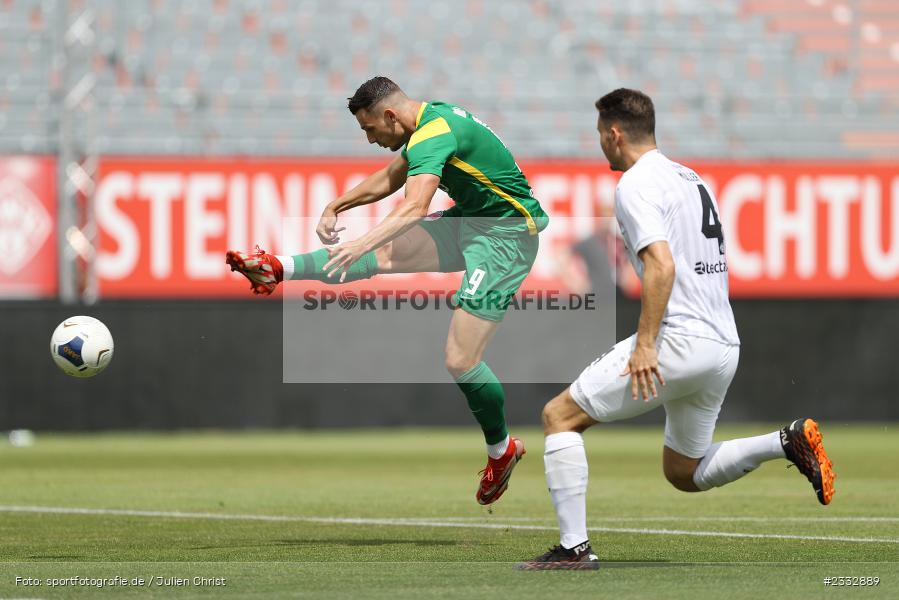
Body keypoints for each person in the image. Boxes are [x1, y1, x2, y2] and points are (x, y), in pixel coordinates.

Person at [518, 89, 835, 570]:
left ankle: (573, 549)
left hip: (680, 340)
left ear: (614, 133)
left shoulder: (634, 185)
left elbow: (661, 266)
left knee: (559, 417)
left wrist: (646, 345)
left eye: (600, 134)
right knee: (683, 472)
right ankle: (784, 442)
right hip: (723, 344)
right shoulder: (692, 178)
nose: (600, 143)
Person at [225, 76, 548, 505]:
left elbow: (415, 205)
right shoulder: (428, 122)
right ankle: (276, 268)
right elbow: (390, 178)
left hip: (507, 237)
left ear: (390, 115)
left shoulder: (434, 133)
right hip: (472, 222)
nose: (371, 138)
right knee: (382, 257)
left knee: (460, 359)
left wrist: (361, 240)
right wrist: (335, 205)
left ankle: (501, 449)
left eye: (370, 129)